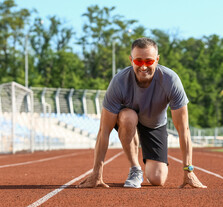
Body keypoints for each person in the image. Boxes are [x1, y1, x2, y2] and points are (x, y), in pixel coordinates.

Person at [78, 37, 206, 189]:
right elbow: (103, 131)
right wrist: (97, 172)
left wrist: (188, 170)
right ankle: (135, 169)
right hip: (129, 119)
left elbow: (183, 129)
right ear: (131, 60)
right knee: (128, 116)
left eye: (149, 61)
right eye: (138, 61)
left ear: (157, 60)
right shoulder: (119, 82)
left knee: (157, 179)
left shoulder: (171, 81)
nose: (143, 67)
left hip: (155, 125)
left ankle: (152, 165)